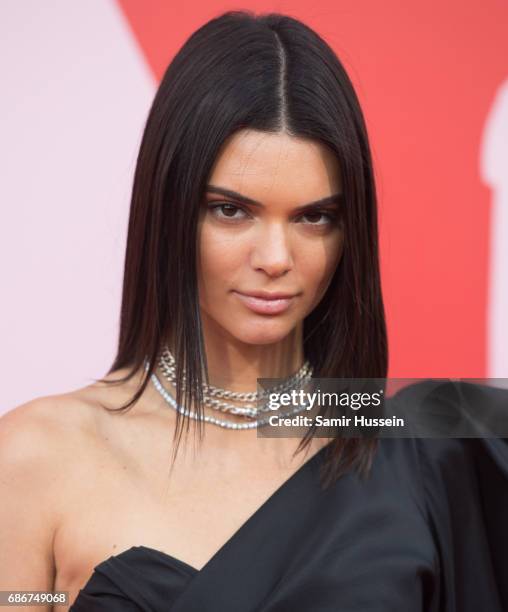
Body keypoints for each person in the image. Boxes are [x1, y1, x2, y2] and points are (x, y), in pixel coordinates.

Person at [0, 10, 507, 612]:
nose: (275, 258)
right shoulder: (35, 457)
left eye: (314, 217)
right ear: (169, 208)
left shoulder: (423, 447)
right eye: (231, 211)